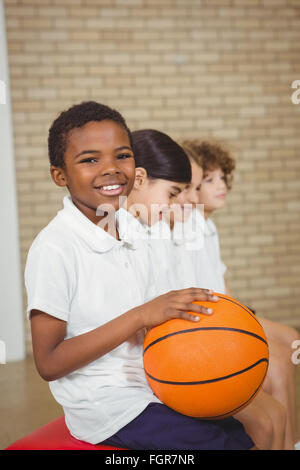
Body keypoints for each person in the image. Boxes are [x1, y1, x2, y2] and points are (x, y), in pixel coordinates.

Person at [24, 102, 254, 450]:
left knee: (242, 432)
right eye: (90, 160)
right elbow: (49, 361)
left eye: (122, 155)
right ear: (60, 175)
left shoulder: (131, 231)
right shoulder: (55, 248)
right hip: (108, 404)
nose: (112, 170)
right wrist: (141, 316)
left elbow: (155, 316)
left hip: (156, 381)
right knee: (216, 444)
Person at [180, 139, 300, 450]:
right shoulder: (187, 226)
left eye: (222, 178)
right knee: (279, 360)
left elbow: (223, 289)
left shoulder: (207, 227)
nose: (221, 186)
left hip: (225, 311)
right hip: (210, 323)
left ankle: (294, 440)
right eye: (208, 180)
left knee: (291, 337)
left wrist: (248, 317)